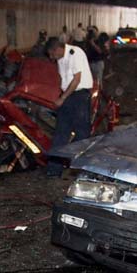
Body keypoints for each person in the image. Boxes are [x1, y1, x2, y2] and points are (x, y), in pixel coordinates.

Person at [44, 37, 93, 177]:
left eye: (52, 55)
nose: (52, 58)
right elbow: (63, 80)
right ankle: (54, 169)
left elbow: (76, 79)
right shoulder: (61, 58)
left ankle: (78, 167)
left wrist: (62, 98)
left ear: (57, 49)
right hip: (68, 95)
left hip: (79, 96)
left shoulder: (74, 53)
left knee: (82, 134)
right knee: (61, 133)